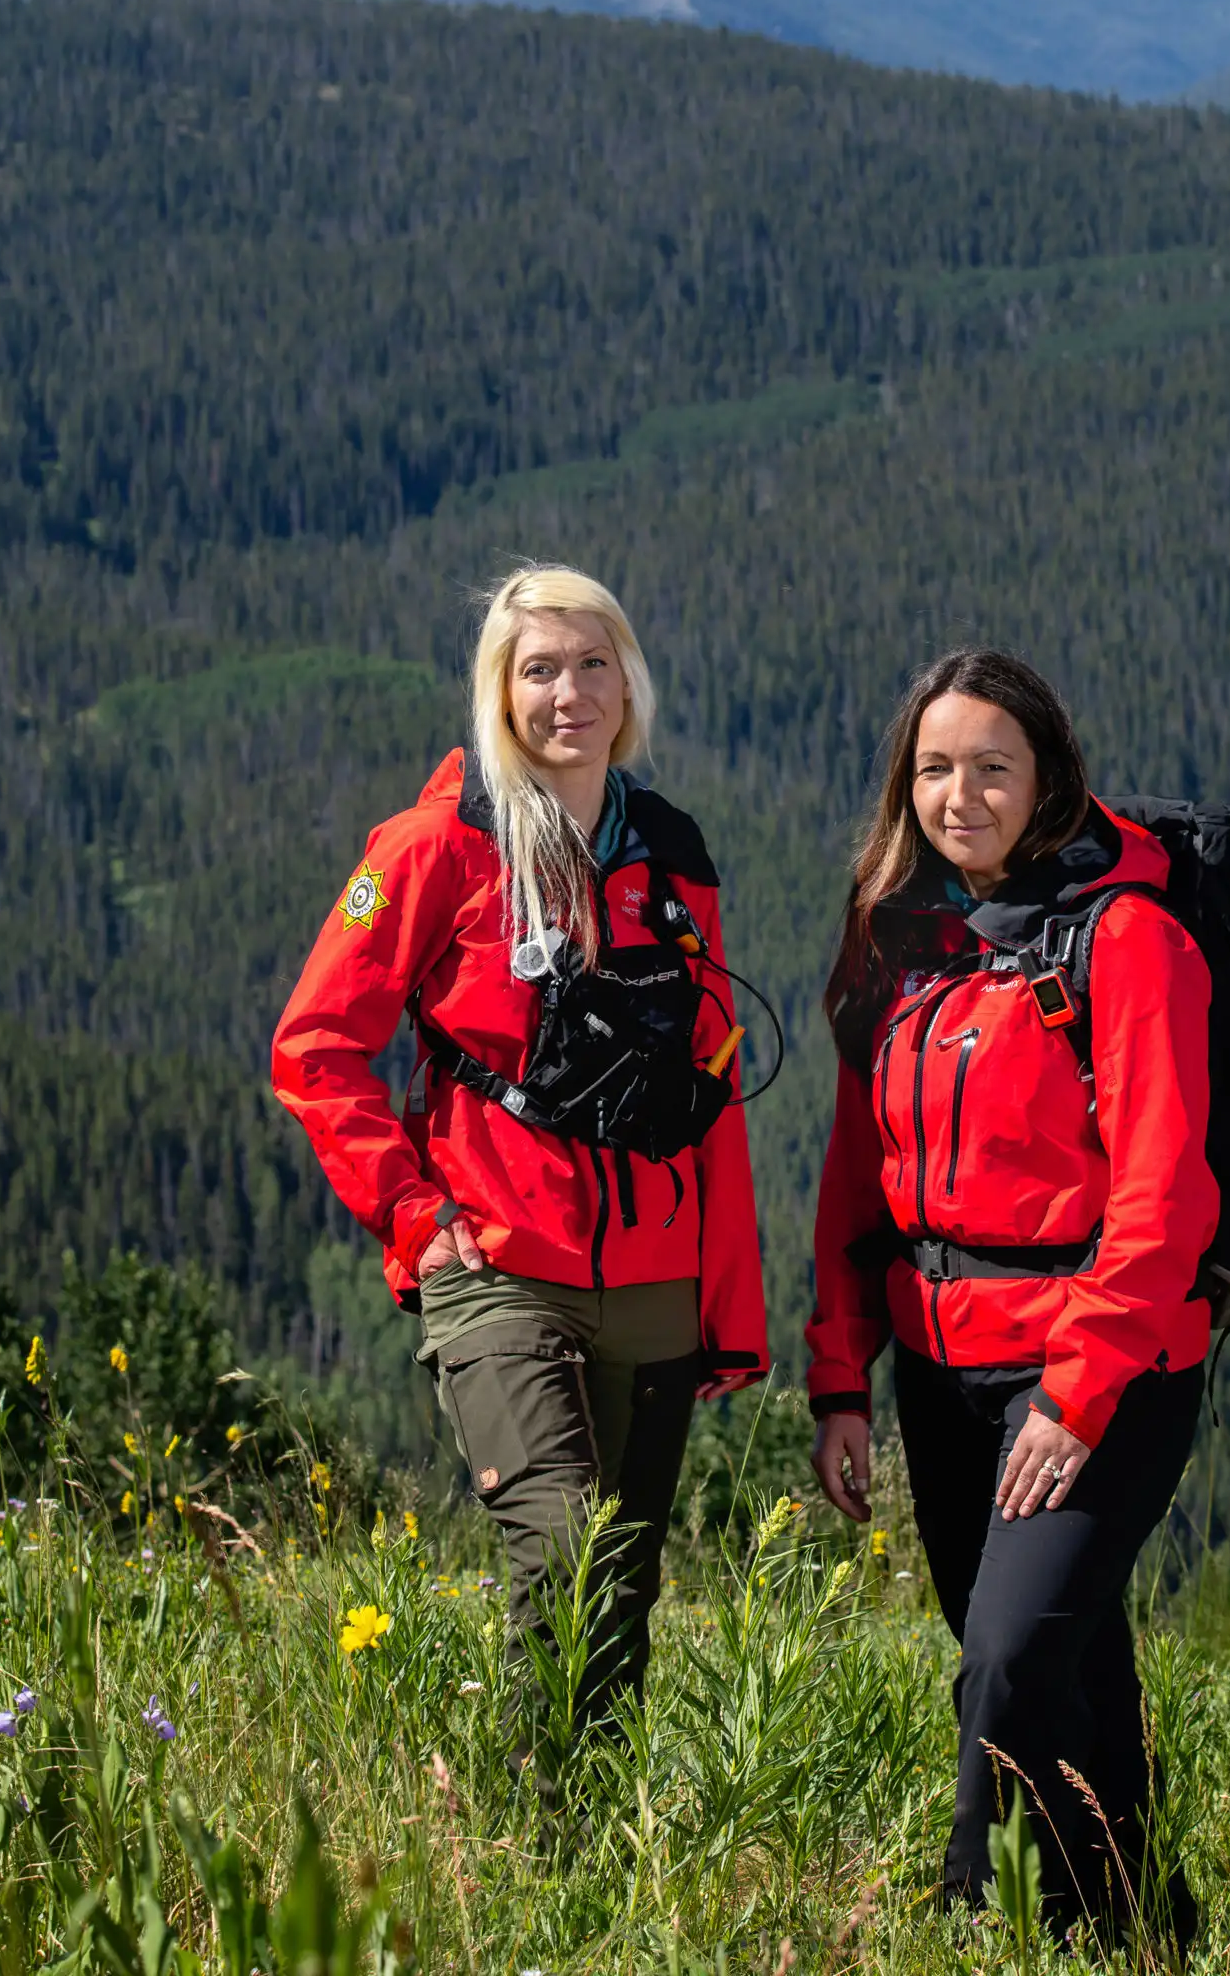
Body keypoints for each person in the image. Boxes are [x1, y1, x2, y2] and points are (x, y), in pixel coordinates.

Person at [274, 563, 768, 1734]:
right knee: (561, 1552)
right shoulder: (430, 846)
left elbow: (716, 1093)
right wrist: (414, 1215)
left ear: (628, 682)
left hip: (654, 1279)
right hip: (494, 1263)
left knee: (624, 1591)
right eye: (539, 668)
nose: (569, 693)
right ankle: (531, 1845)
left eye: (594, 663)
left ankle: (591, 1873)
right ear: (499, 689)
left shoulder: (674, 856)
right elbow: (315, 1049)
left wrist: (729, 1308)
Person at [806, 648, 1216, 1943]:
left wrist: (1076, 1396)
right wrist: (839, 1381)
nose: (960, 793)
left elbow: (1162, 1204)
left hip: (1102, 1376)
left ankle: (972, 1924)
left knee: (1007, 1663)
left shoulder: (1129, 938)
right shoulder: (901, 945)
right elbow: (855, 1187)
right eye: (935, 768)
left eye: (993, 767)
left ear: (1047, 780)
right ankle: (1143, 1926)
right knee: (1066, 1670)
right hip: (938, 1371)